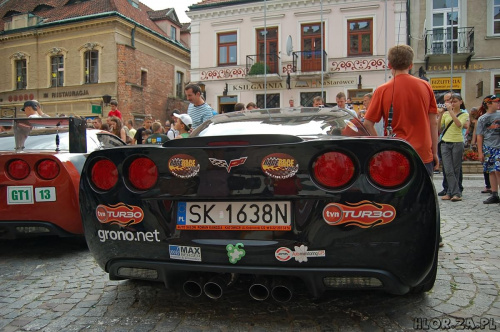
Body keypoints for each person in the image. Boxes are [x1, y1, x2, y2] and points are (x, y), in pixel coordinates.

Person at [364, 44, 439, 178]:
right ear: (410, 65)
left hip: (395, 154)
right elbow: (433, 122)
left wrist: (381, 147)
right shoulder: (425, 86)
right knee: (422, 196)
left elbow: (368, 123)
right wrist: (434, 152)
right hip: (422, 153)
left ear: (389, 65)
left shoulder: (383, 90)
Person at [438, 93, 469, 202]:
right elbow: (439, 129)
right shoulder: (446, 114)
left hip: (457, 142)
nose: (453, 104)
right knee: (447, 169)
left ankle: (454, 193)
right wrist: (441, 115)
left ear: (460, 102)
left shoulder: (464, 114)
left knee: (456, 169)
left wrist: (451, 111)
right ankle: (452, 192)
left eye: (455, 101)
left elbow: (459, 125)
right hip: (445, 142)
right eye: (451, 102)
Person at [476, 95, 500, 204]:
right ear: (488, 104)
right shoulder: (482, 118)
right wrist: (480, 152)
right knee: (490, 170)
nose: (498, 103)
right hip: (488, 147)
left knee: (498, 170)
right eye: (495, 102)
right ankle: (494, 193)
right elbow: (479, 135)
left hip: (499, 147)